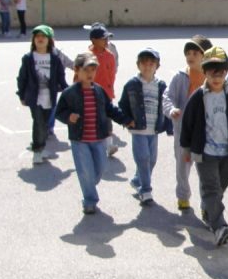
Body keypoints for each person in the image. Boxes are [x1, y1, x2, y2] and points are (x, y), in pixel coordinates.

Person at [179, 46, 228, 247]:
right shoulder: (198, 97)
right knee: (212, 188)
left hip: (226, 152)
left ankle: (208, 209)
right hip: (204, 153)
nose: (217, 77)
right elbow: (187, 124)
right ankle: (219, 226)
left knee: (221, 185)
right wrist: (186, 149)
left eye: (221, 73)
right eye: (212, 73)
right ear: (204, 72)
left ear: (226, 72)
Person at [55, 52, 130, 215]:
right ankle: (90, 200)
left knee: (100, 169)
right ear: (76, 70)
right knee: (85, 171)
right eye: (86, 70)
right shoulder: (69, 93)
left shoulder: (99, 91)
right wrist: (69, 116)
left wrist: (125, 120)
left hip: (98, 139)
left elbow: (110, 109)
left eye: (93, 70)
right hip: (79, 140)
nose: (90, 74)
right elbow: (58, 112)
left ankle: (89, 185)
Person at [162, 35, 213, 212]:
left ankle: (207, 203)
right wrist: (171, 110)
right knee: (182, 166)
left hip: (205, 134)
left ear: (205, 56)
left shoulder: (210, 79)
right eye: (188, 53)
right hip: (183, 133)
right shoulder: (180, 77)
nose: (190, 57)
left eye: (195, 53)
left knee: (205, 170)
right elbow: (167, 97)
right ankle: (183, 196)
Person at [118, 48, 168, 206]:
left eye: (151, 63)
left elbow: (165, 105)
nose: (147, 66)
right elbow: (122, 105)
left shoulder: (161, 85)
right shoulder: (132, 84)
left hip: (153, 129)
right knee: (143, 158)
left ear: (157, 66)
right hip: (138, 129)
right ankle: (145, 190)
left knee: (152, 160)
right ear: (138, 65)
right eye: (144, 63)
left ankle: (137, 180)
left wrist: (168, 123)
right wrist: (127, 120)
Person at [17, 25, 69, 166]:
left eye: (43, 36)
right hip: (34, 98)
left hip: (50, 97)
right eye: (37, 36)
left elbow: (61, 78)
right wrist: (21, 94)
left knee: (45, 124)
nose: (40, 39)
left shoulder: (55, 59)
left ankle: (42, 147)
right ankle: (37, 151)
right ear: (33, 40)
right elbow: (22, 78)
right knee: (38, 123)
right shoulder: (28, 58)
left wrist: (69, 91)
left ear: (49, 40)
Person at [87, 24, 120, 156]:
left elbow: (112, 74)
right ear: (94, 40)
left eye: (108, 38)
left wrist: (110, 91)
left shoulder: (110, 56)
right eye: (103, 39)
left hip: (106, 94)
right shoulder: (88, 56)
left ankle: (109, 144)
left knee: (107, 119)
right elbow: (80, 76)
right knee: (91, 119)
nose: (107, 41)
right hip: (90, 94)